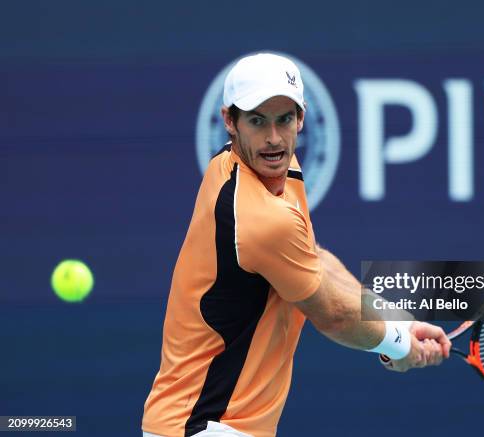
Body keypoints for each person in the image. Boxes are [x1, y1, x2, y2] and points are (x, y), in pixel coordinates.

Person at [142, 53, 451, 437]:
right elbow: (333, 316)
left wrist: (392, 317)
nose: (273, 137)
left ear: (301, 117)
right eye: (257, 121)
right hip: (205, 427)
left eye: (284, 119)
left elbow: (313, 259)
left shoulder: (262, 168)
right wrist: (399, 344)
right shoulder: (261, 218)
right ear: (230, 121)